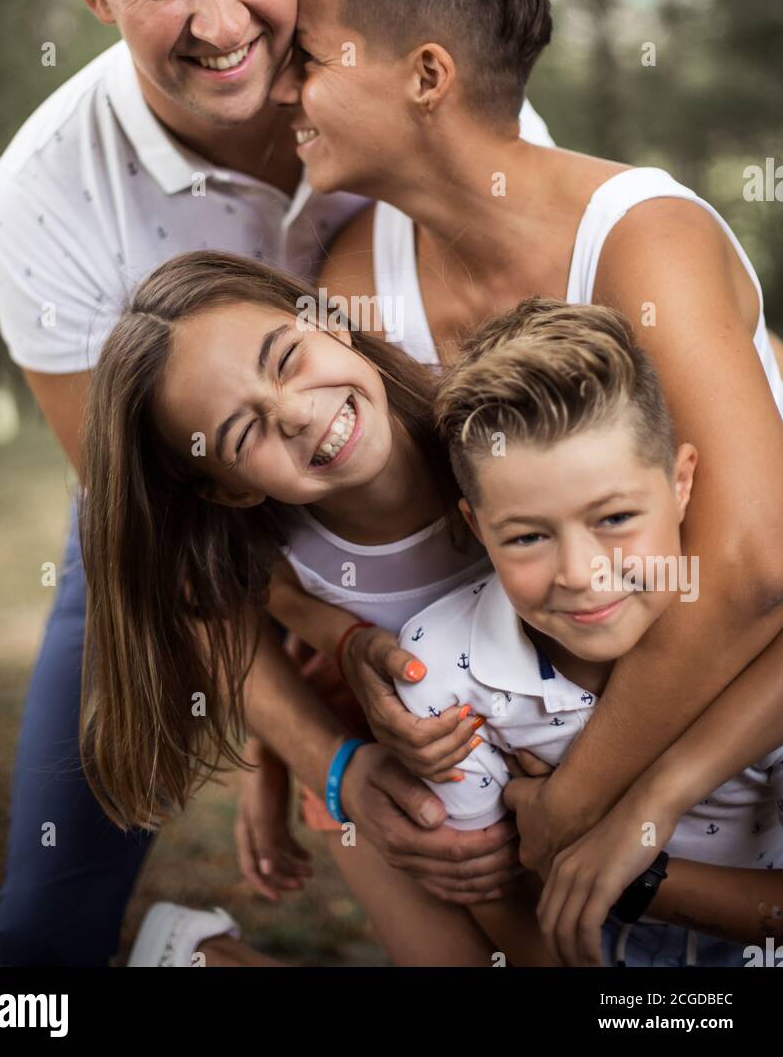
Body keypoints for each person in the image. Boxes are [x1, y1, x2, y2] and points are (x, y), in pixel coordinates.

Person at [0, 0, 548, 966]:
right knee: (40, 944)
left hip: (446, 505)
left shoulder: (413, 79)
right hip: (179, 536)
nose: (223, 19)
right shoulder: (46, 198)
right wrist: (323, 744)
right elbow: (174, 542)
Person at [267, 0, 783, 927]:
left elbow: (750, 567)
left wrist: (575, 810)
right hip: (544, 713)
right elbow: (339, 541)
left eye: (308, 59)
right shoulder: (359, 276)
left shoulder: (642, 240)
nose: (281, 91)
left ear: (425, 75)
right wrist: (331, 683)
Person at [76, 248, 553, 966]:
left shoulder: (495, 424)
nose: (297, 414)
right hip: (392, 779)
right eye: (243, 434)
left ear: (328, 318)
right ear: (230, 489)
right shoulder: (282, 557)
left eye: (286, 358)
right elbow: (271, 624)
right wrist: (298, 769)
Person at [394, 297, 783, 967]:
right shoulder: (443, 669)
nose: (581, 573)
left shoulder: (759, 642)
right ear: (477, 526)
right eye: (526, 536)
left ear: (682, 483)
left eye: (613, 519)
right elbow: (495, 894)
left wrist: (629, 868)